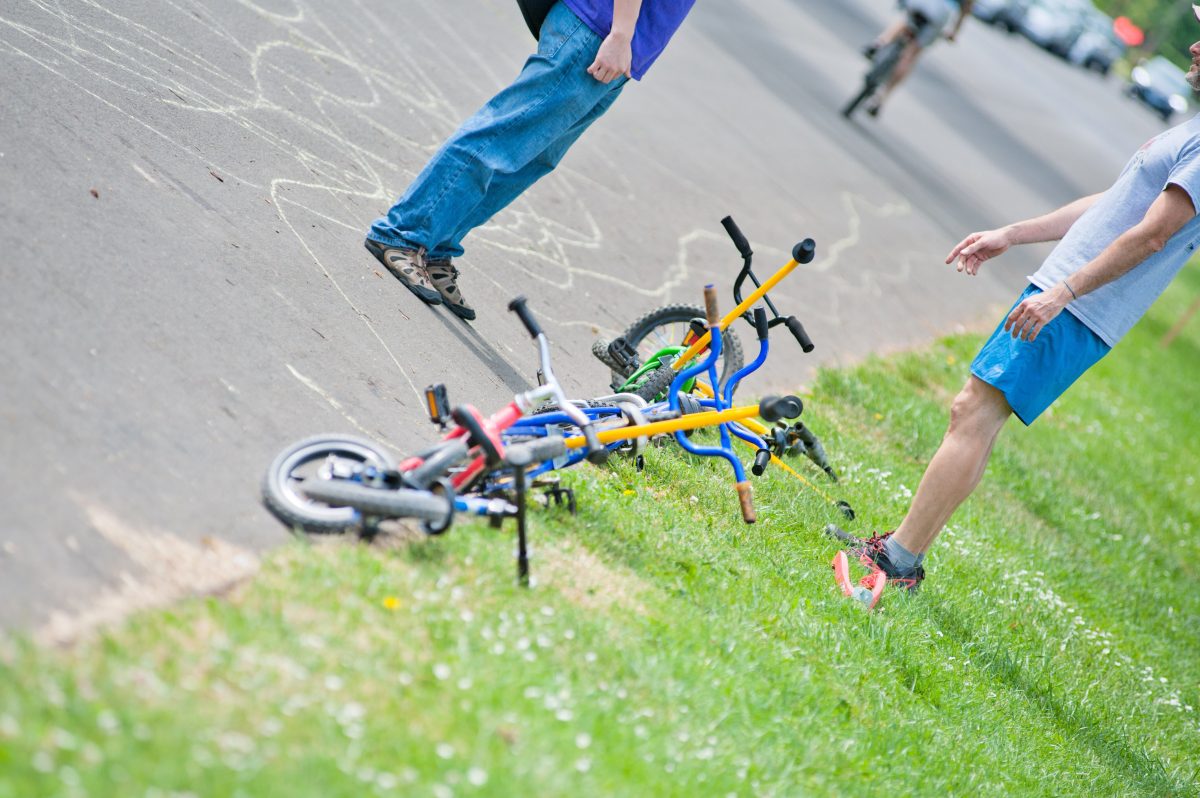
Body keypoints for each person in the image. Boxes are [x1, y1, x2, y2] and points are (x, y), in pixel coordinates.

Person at [828, 23, 1200, 601]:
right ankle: (903, 554)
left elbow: (1152, 236)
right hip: (1068, 296)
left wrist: (1064, 294)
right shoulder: (1192, 132)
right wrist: (1013, 234)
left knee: (971, 412)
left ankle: (898, 560)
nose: (1194, 47)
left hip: (1076, 306)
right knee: (975, 414)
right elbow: (1111, 203)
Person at [363, 0, 695, 322]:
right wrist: (621, 34)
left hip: (623, 48)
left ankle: (436, 244)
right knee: (502, 137)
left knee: (531, 159)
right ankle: (403, 234)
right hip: (601, 32)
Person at [859, 0, 973, 117]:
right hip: (942, 13)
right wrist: (955, 31)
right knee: (911, 53)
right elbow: (967, 7)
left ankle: (879, 43)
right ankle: (880, 98)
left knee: (905, 21)